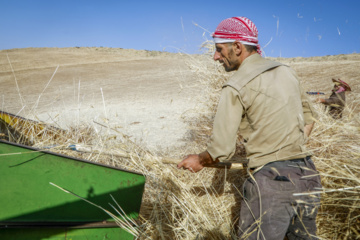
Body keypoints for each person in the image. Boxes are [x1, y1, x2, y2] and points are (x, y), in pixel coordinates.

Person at [177, 17, 322, 240]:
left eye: (219, 49)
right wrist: (291, 148)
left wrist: (199, 159)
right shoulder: (287, 72)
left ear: (237, 47)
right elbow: (309, 120)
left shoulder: (236, 85)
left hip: (272, 183)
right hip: (308, 175)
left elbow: (220, 150)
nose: (215, 57)